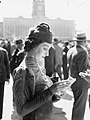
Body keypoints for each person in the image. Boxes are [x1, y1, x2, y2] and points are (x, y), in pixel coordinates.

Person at [12, 23, 70, 120]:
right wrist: (51, 90)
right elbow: (22, 110)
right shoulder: (23, 71)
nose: (47, 54)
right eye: (45, 48)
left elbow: (38, 99)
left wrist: (55, 95)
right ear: (33, 45)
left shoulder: (39, 68)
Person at [67, 32, 89, 120]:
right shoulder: (83, 52)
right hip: (81, 83)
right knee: (80, 109)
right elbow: (82, 72)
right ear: (84, 41)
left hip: (73, 81)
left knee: (77, 106)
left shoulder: (71, 50)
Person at [0, 47, 10, 120]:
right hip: (1, 77)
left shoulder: (3, 51)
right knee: (0, 97)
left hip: (1, 78)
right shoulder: (3, 51)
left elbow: (7, 64)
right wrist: (8, 77)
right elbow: (7, 64)